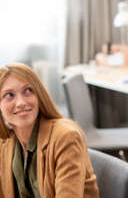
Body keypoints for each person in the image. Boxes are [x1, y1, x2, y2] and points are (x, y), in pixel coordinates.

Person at [0, 63, 99, 198]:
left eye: (28, 91)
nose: (21, 102)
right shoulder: (5, 142)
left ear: (39, 95)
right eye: (9, 95)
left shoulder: (65, 137)